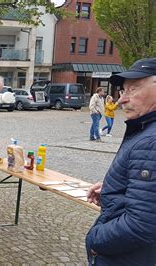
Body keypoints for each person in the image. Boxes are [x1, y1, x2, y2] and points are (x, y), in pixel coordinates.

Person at [85, 57, 156, 265]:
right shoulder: (145, 130)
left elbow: (141, 225)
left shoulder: (150, 141)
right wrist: (111, 190)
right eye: (123, 91)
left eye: (133, 89)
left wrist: (94, 239)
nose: (121, 100)